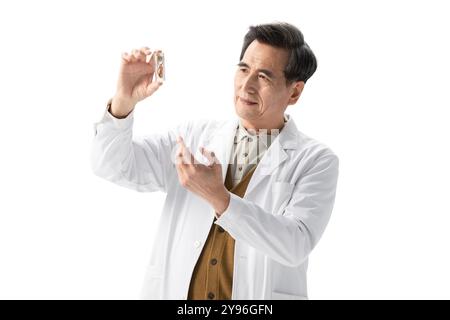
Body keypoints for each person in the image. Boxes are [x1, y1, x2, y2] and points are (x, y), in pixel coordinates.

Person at [91, 22, 339, 300]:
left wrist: (220, 198)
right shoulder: (193, 137)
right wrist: (123, 102)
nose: (247, 85)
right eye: (243, 69)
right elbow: (112, 165)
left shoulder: (316, 161)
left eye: (264, 77)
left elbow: (295, 244)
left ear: (294, 92)